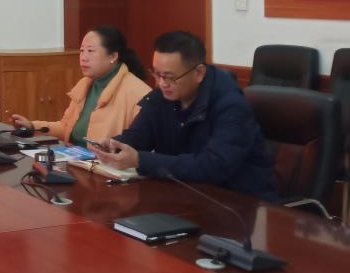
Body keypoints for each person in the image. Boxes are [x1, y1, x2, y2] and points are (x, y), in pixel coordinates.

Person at [91, 31, 278, 200]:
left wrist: (140, 160)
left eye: (169, 77)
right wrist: (115, 146)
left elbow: (214, 166)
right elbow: (139, 136)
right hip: (185, 194)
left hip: (238, 203)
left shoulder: (231, 106)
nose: (161, 83)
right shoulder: (163, 95)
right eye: (156, 74)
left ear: (198, 73)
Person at [12, 26, 150, 145]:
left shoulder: (139, 93)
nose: (83, 57)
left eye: (90, 51)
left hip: (105, 164)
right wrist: (32, 126)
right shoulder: (85, 84)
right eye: (82, 50)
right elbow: (66, 128)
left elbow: (138, 145)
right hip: (75, 159)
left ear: (113, 56)